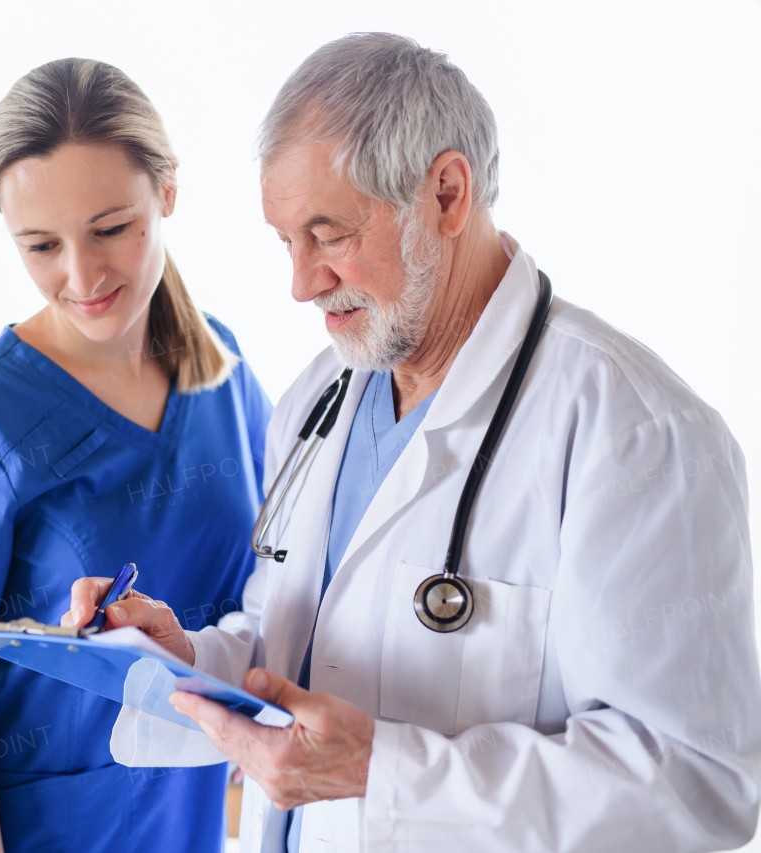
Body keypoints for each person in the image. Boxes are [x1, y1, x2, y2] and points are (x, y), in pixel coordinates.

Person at [64, 33, 761, 852]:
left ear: (447, 193)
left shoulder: (634, 432)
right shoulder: (315, 403)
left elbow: (698, 782)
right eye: (286, 242)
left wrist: (384, 772)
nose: (301, 283)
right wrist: (185, 655)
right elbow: (290, 645)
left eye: (329, 234)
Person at [0, 59, 271, 853]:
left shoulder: (224, 369)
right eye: (41, 245)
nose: (82, 277)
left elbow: (271, 591)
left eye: (112, 228)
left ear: (168, 192)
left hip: (186, 828)